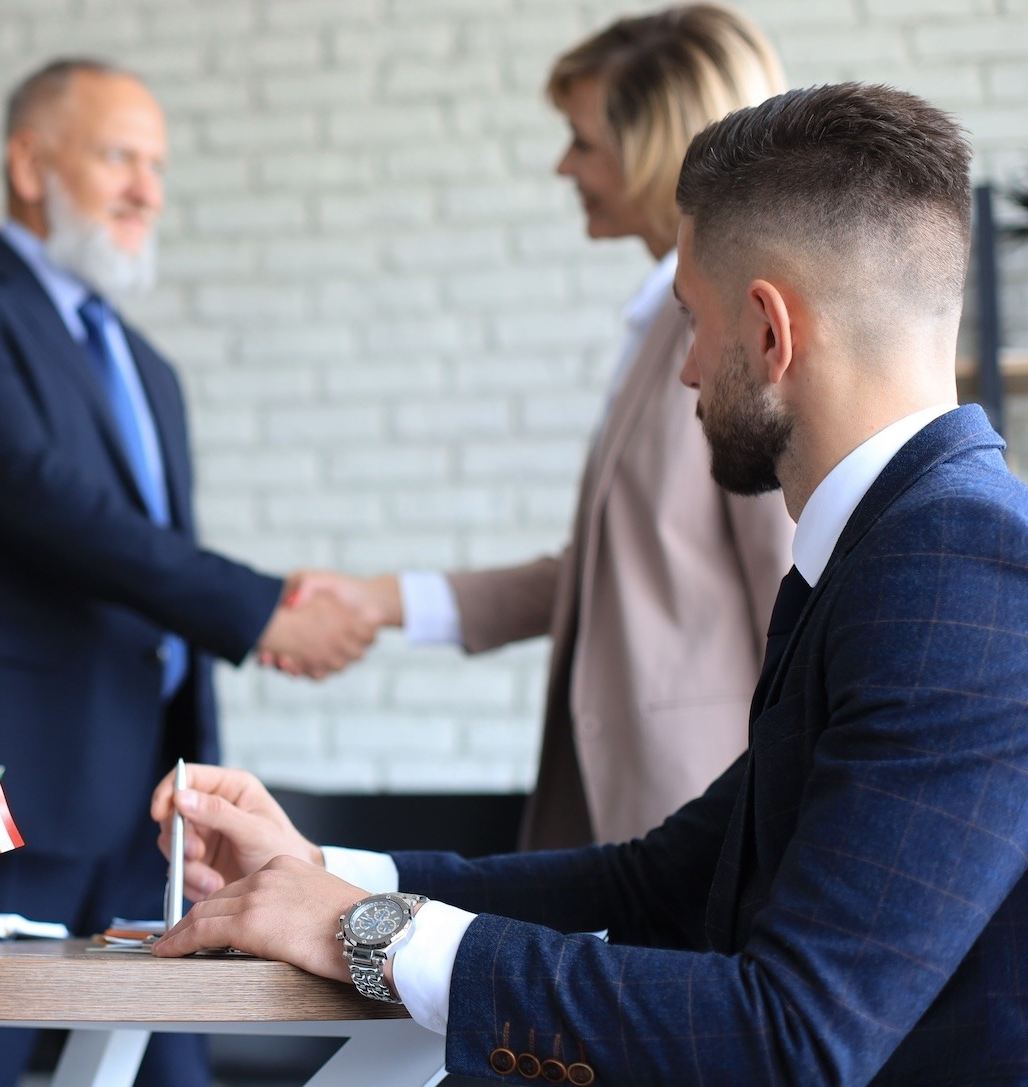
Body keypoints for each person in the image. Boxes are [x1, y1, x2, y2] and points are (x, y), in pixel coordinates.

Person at [152, 83, 1028, 1085]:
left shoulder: (961, 566)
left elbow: (794, 1036)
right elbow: (659, 880)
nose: (690, 371)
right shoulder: (895, 548)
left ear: (771, 331)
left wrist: (368, 931)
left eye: (693, 322)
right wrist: (323, 872)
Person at [0, 57, 378, 1087]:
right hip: (2, 796)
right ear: (28, 161)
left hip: (156, 810)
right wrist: (260, 610)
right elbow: (50, 504)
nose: (148, 187)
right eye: (119, 157)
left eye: (157, 163)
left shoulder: (150, 369)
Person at [287, 4, 794, 849]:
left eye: (584, 141)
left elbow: (791, 583)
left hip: (708, 805)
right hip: (630, 803)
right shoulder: (660, 327)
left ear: (660, 148)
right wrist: (388, 601)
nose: (565, 165)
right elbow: (619, 573)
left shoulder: (732, 334)